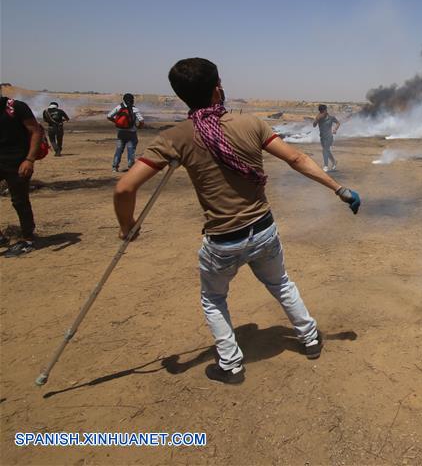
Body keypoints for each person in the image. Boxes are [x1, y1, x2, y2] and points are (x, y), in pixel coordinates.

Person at [114, 58, 361, 385]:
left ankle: (231, 365)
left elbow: (125, 187)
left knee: (214, 299)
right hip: (263, 230)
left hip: (222, 241)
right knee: (282, 284)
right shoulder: (251, 124)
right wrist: (340, 189)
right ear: (218, 87)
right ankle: (311, 338)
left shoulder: (176, 137)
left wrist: (128, 226)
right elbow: (297, 159)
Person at [0, 95, 43, 256]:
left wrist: (29, 160)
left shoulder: (16, 107)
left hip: (17, 162)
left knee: (19, 201)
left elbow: (35, 131)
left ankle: (28, 239)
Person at [107, 93, 144, 172]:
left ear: (123, 100)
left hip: (121, 133)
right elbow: (141, 120)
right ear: (132, 100)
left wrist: (116, 122)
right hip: (131, 133)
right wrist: (139, 126)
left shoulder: (119, 107)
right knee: (131, 150)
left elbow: (109, 116)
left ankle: (115, 167)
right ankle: (131, 167)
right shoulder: (134, 109)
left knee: (119, 150)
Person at [313, 104, 340, 171]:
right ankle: (334, 161)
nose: (321, 112)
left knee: (325, 150)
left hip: (329, 136)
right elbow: (314, 125)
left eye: (322, 111)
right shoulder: (319, 117)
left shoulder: (331, 117)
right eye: (320, 111)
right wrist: (317, 119)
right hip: (322, 137)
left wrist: (335, 129)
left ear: (325, 110)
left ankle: (325, 166)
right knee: (327, 151)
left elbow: (338, 123)